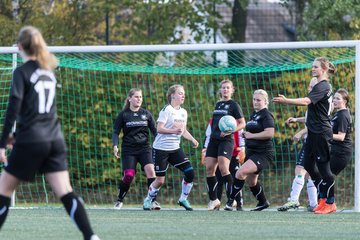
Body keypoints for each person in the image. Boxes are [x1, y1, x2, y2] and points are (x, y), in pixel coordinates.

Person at [0, 26, 100, 240]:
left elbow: (14, 107)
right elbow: (43, 112)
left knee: (3, 189)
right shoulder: (48, 71)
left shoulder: (22, 71)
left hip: (32, 140)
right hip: (54, 138)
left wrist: (2, 142)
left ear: (19, 46)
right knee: (65, 191)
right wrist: (17, 137)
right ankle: (91, 236)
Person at [273, 57, 336, 214]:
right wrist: (297, 120)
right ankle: (322, 198)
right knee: (307, 164)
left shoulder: (324, 85)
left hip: (321, 132)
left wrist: (286, 100)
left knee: (323, 168)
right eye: (312, 66)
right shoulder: (317, 85)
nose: (312, 69)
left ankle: (330, 202)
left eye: (315, 67)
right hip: (313, 133)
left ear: (324, 69)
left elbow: (306, 101)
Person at [142, 84, 199, 211]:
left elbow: (182, 131)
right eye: (180, 93)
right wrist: (173, 131)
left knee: (190, 172)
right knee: (160, 181)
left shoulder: (183, 112)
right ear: (172, 95)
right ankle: (148, 199)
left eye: (183, 93)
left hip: (175, 149)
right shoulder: (166, 110)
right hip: (161, 149)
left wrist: (192, 139)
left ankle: (183, 198)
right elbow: (159, 128)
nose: (183, 95)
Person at [225, 89, 274, 211]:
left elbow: (269, 133)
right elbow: (252, 132)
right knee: (251, 181)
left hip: (263, 153)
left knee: (240, 173)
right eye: (254, 99)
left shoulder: (266, 115)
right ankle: (263, 202)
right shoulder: (254, 114)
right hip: (252, 152)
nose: (255, 102)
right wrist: (245, 136)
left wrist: (250, 136)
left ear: (265, 102)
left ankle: (230, 202)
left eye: (258, 100)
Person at [112, 88, 160, 210]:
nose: (139, 99)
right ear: (130, 98)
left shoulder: (146, 114)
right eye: (136, 97)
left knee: (151, 171)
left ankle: (152, 201)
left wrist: (161, 145)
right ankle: (119, 200)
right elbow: (116, 132)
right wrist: (115, 145)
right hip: (129, 150)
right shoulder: (123, 114)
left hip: (145, 148)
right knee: (128, 175)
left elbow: (155, 132)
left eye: (140, 97)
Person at [278, 78, 318, 212]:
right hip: (313, 142)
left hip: (313, 141)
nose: (309, 89)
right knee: (309, 173)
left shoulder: (317, 103)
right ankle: (314, 204)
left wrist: (301, 132)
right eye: (309, 86)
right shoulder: (314, 104)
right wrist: (296, 119)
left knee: (300, 169)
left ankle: (294, 200)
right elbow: (309, 120)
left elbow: (317, 124)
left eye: (312, 87)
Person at [205, 79, 246, 211]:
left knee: (223, 169)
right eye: (223, 88)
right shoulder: (217, 104)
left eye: (228, 88)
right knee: (209, 169)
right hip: (214, 140)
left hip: (226, 141)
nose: (225, 90)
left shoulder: (234, 105)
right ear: (220, 90)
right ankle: (214, 200)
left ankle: (232, 198)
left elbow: (242, 123)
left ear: (232, 90)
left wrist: (230, 131)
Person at [202, 118, 245, 211]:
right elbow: (208, 135)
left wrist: (242, 149)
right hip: (218, 154)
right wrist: (204, 150)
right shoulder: (213, 120)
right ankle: (216, 203)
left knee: (235, 177)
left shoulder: (236, 121)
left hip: (234, 154)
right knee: (218, 178)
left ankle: (238, 203)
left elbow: (241, 135)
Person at [329, 89, 352, 176]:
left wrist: (325, 134)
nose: (334, 100)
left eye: (338, 99)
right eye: (334, 98)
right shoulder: (337, 114)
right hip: (335, 151)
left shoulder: (343, 115)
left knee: (323, 175)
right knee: (318, 173)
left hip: (341, 154)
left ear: (345, 101)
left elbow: (341, 137)